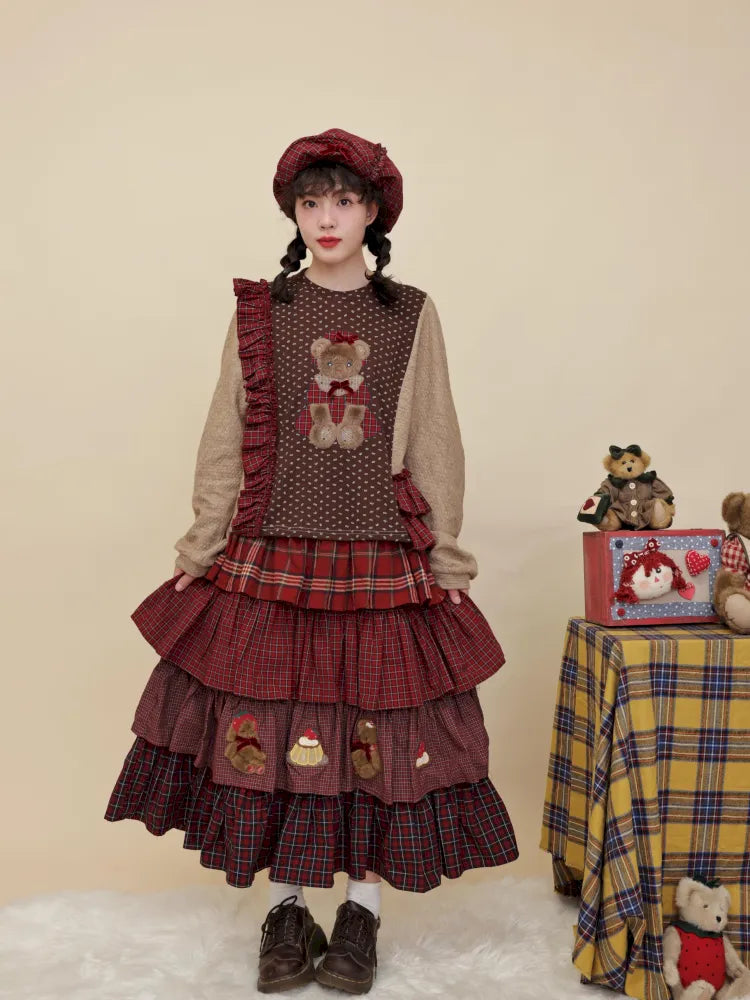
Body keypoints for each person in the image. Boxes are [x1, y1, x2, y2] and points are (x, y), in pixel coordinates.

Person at [105, 127, 518, 995]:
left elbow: (436, 436)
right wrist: (202, 543)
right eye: (311, 203)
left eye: (344, 201)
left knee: (376, 733)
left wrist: (446, 558)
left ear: (373, 213)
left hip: (379, 555)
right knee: (272, 729)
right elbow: (224, 431)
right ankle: (286, 911)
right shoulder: (265, 312)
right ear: (294, 214)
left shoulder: (410, 313)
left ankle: (361, 912)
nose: (327, 217)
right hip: (274, 555)